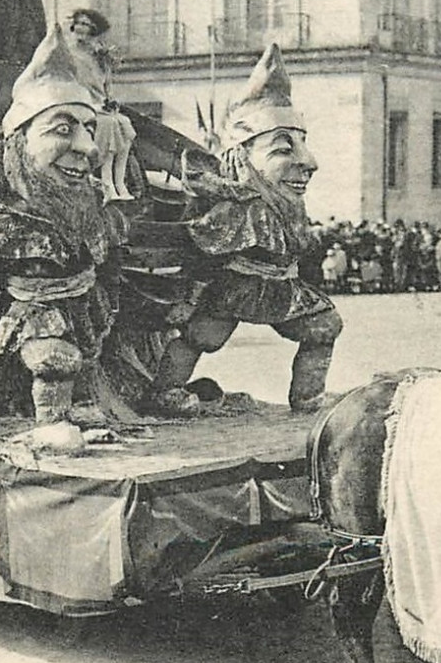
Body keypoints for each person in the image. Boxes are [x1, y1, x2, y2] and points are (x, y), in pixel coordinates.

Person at [0, 25, 126, 454]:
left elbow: (107, 261)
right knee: (55, 358)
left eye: (89, 129)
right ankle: (51, 422)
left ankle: (81, 410)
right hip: (31, 309)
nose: (86, 148)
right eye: (63, 130)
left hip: (81, 302)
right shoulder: (5, 218)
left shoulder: (92, 207)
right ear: (19, 144)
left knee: (83, 353)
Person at [147, 43, 343, 414]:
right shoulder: (238, 208)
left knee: (324, 326)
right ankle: (165, 392)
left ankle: (308, 397)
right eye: (284, 150)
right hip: (234, 287)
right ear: (242, 157)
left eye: (303, 146)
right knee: (202, 336)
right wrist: (190, 298)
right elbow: (204, 251)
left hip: (281, 287)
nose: (309, 163)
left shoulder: (287, 205)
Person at [64, 7, 137, 201]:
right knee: (108, 124)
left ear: (93, 30)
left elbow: (107, 89)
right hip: (76, 104)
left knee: (124, 125)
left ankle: (119, 181)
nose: (80, 28)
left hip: (98, 106)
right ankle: (107, 183)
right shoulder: (67, 54)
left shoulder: (100, 58)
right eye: (78, 23)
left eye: (85, 25)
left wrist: (110, 102)